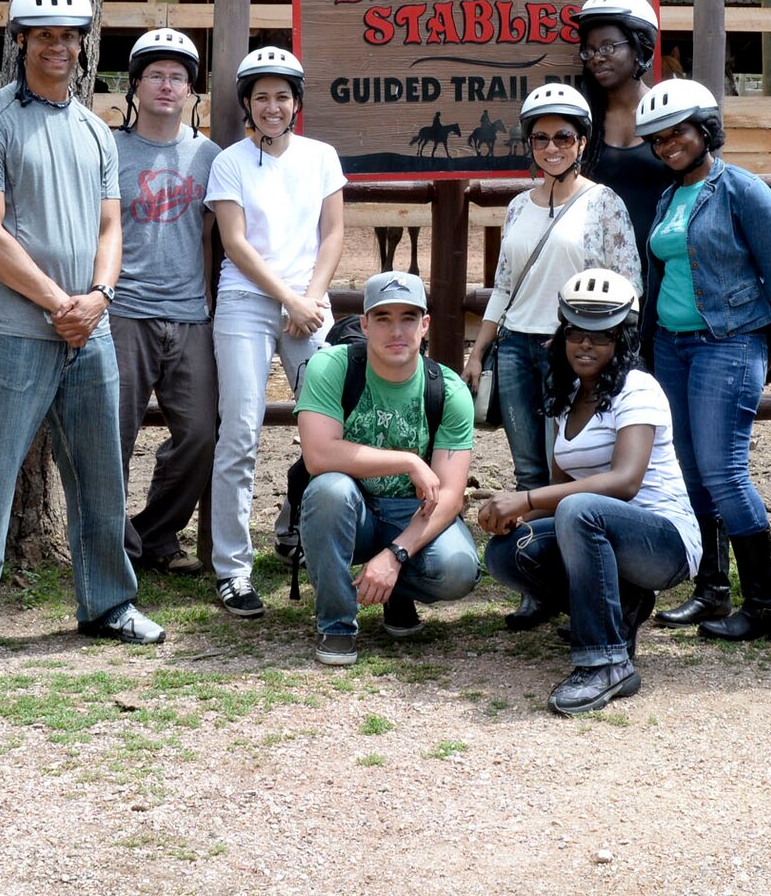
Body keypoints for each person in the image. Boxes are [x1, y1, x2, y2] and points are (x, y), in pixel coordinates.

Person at [0, 0, 164, 677]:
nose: (58, 45)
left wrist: (100, 296)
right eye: (43, 34)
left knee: (101, 475)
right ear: (20, 40)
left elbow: (113, 225)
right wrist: (61, 301)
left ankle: (108, 602)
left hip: (91, 328)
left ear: (83, 45)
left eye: (69, 35)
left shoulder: (92, 127)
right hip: (16, 328)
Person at [478, 269, 699, 715]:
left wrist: (525, 499)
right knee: (508, 552)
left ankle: (605, 662)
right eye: (576, 333)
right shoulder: (567, 395)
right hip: (597, 531)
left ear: (623, 340)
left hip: (664, 541)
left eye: (601, 336)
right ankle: (621, 609)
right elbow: (561, 490)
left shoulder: (638, 388)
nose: (585, 345)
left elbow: (625, 481)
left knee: (580, 509)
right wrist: (517, 516)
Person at [462, 82, 641, 631]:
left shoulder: (605, 203)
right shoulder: (519, 204)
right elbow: (505, 282)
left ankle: (576, 582)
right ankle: (537, 585)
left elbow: (628, 283)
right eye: (540, 137)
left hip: (571, 349)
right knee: (526, 469)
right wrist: (482, 345)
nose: (552, 147)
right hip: (517, 345)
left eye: (564, 136)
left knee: (563, 468)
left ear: (582, 141)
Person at [631, 79, 771, 641]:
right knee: (690, 470)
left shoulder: (745, 192)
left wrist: (770, 348)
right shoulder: (668, 196)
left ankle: (766, 607)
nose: (668, 144)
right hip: (673, 347)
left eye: (678, 132)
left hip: (728, 342)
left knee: (724, 472)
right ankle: (712, 589)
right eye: (657, 138)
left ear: (706, 128)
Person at [205, 46, 345, 619]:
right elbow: (234, 242)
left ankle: (316, 537)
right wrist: (286, 296)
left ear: (296, 103)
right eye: (261, 97)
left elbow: (333, 232)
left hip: (309, 303)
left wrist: (309, 298)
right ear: (246, 103)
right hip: (246, 300)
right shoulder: (230, 162)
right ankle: (232, 569)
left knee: (328, 428)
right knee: (240, 430)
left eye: (281, 96)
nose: (271, 106)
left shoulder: (321, 157)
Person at [296, 271, 479, 667]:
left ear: (425, 324)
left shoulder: (447, 389)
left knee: (459, 568)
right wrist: (409, 460)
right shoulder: (333, 366)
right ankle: (337, 623)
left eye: (408, 318)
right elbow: (318, 455)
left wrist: (395, 555)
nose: (396, 330)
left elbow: (448, 495)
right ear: (364, 324)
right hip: (352, 507)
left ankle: (397, 592)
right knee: (329, 490)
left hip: (409, 513)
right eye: (382, 318)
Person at [111, 28, 219, 575]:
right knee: (114, 435)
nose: (167, 85)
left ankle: (155, 533)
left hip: (189, 313)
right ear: (135, 85)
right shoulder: (110, 148)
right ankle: (118, 546)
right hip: (123, 309)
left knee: (201, 433)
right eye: (156, 74)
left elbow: (212, 233)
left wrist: (206, 299)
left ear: (190, 89)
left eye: (178, 77)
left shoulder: (208, 155)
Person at [574, 0, 668, 274]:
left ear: (641, 47)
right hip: (599, 276)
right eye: (589, 50)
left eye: (608, 47)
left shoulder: (669, 112)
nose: (596, 58)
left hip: (668, 270)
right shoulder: (583, 121)